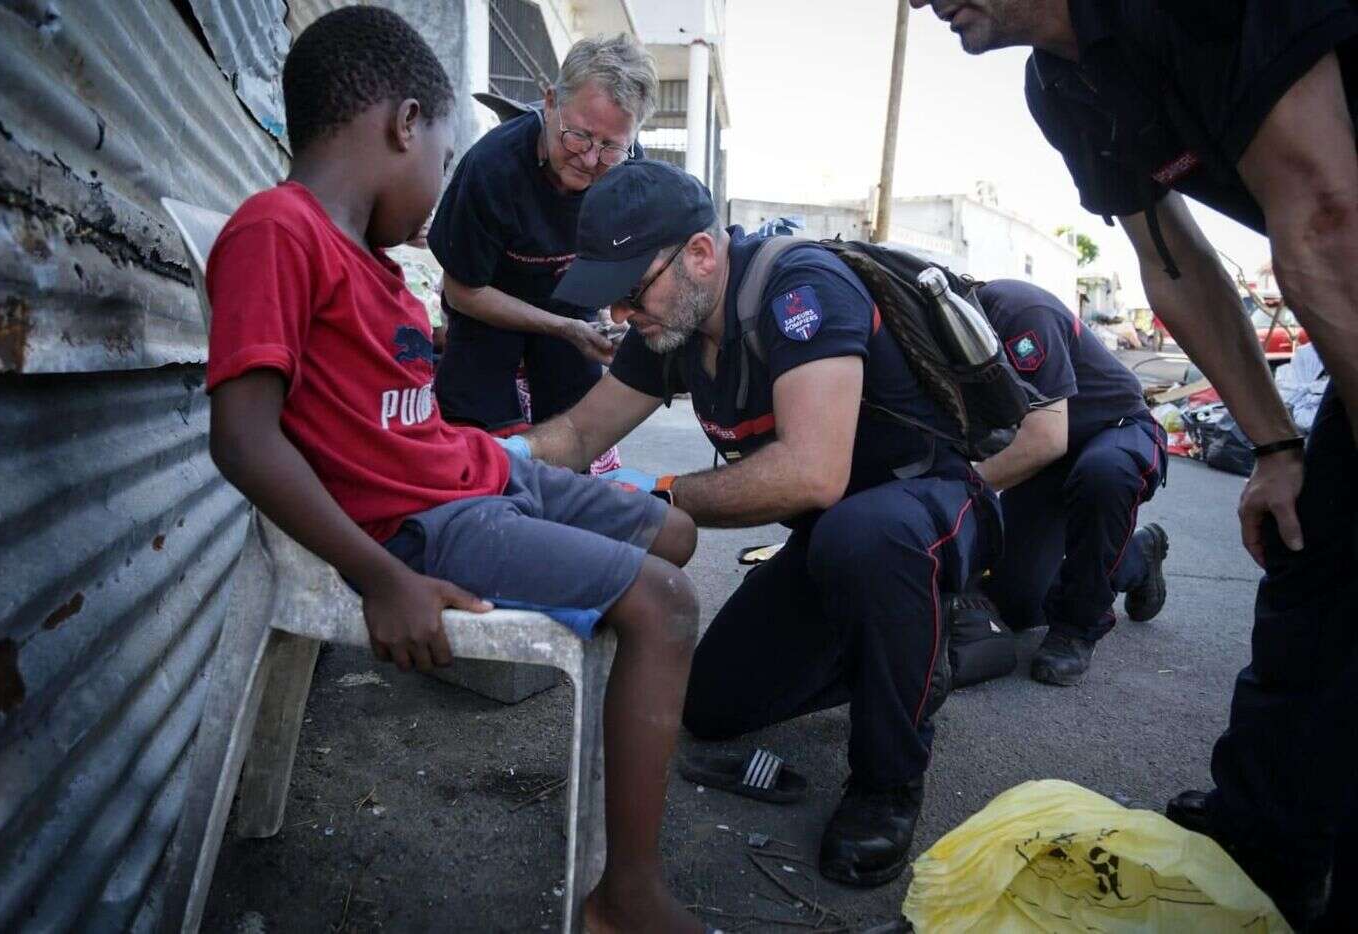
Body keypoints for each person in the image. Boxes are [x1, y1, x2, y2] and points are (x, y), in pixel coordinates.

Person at [202, 10, 704, 932]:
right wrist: (379, 575)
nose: (442, 187)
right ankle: (625, 895)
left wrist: (505, 458)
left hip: (472, 472)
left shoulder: (371, 264)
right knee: (667, 605)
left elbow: (398, 416)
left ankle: (636, 703)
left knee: (676, 531)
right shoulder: (278, 231)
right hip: (423, 524)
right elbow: (243, 438)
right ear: (403, 125)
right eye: (441, 154)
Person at [912, 0, 1358, 926]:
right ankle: (1260, 855)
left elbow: (1321, 218)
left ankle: (1091, 616)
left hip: (1127, 429)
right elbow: (1176, 262)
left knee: (1110, 477)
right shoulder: (1065, 86)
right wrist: (1276, 446)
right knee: (1315, 564)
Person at [515, 159, 1001, 889]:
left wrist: (660, 494)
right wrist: (488, 460)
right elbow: (580, 435)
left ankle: (887, 780)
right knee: (712, 705)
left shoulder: (802, 290)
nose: (619, 316)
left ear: (701, 255)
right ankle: (910, 658)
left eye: (628, 292)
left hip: (925, 507)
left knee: (862, 538)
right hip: (831, 537)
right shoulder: (670, 322)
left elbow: (813, 473)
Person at [426, 34, 656, 449]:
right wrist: (561, 327)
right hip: (487, 303)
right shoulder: (492, 168)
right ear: (550, 103)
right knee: (475, 436)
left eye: (610, 147)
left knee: (576, 431)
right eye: (578, 136)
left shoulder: (630, 174)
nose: (589, 160)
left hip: (570, 302)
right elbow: (463, 292)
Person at [972, 279, 1169, 686]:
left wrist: (960, 489)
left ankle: (1077, 628)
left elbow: (1045, 439)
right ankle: (1136, 556)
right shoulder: (951, 342)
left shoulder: (1018, 312)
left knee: (1103, 476)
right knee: (1016, 606)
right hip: (1053, 455)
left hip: (1114, 429)